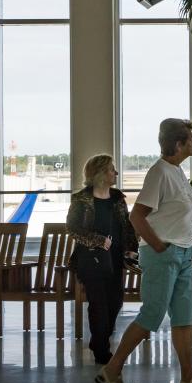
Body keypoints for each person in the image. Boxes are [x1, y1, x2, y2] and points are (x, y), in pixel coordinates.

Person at [96, 119, 192, 383]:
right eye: (189, 140)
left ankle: (189, 377)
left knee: (184, 319)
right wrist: (159, 247)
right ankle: (111, 369)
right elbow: (136, 216)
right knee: (151, 315)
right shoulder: (159, 173)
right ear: (178, 144)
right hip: (164, 255)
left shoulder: (176, 172)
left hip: (183, 255)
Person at [67, 155, 136, 365]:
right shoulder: (81, 199)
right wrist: (97, 240)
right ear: (99, 174)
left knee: (115, 302)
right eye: (111, 170)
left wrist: (130, 248)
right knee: (98, 303)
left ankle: (99, 341)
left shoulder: (117, 198)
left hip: (114, 258)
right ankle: (101, 351)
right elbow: (73, 228)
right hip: (90, 259)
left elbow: (127, 225)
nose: (115, 173)